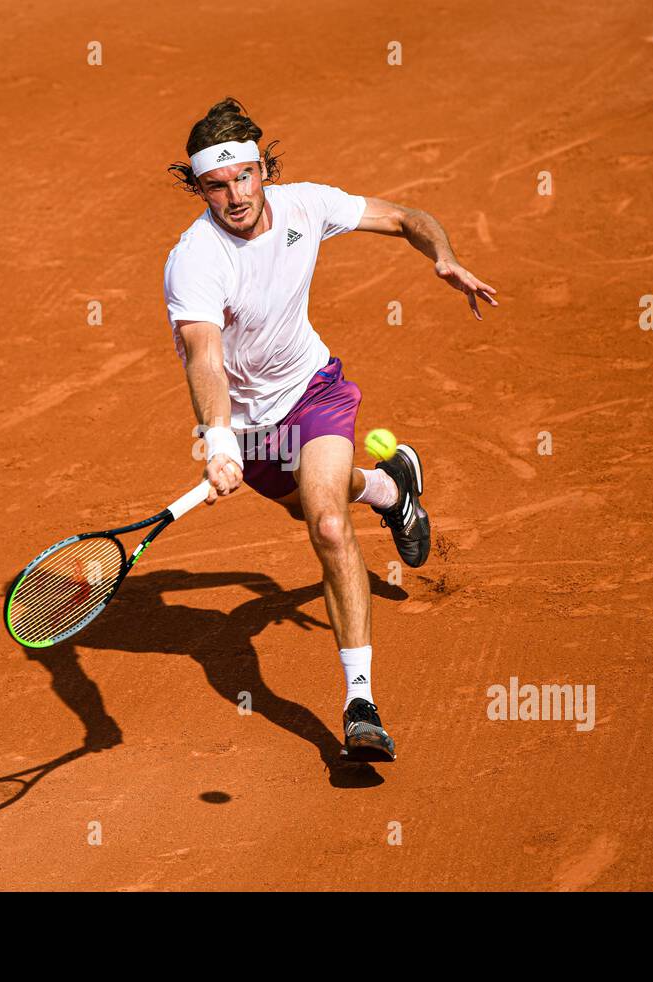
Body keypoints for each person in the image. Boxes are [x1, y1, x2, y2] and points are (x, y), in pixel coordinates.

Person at [163, 97, 498, 763]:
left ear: (264, 168)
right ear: (199, 188)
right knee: (316, 504)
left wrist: (442, 256)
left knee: (327, 525)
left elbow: (406, 217)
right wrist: (224, 441)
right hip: (251, 430)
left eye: (246, 176)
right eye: (217, 185)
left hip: (313, 391)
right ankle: (390, 487)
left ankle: (360, 703)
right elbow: (204, 356)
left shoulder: (306, 206)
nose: (235, 196)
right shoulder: (195, 259)